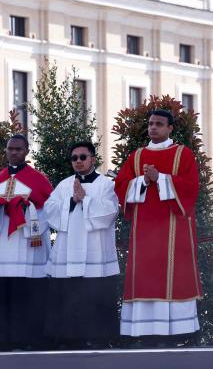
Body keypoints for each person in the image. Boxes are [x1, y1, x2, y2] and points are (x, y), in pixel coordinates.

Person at [114, 110, 201, 337]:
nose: (153, 128)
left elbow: (191, 188)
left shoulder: (184, 154)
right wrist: (143, 180)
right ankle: (143, 332)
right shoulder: (137, 155)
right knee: (144, 277)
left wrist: (160, 178)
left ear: (170, 128)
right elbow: (120, 184)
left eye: (159, 124)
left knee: (173, 275)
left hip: (174, 230)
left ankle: (174, 332)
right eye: (151, 124)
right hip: (144, 233)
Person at [44, 141, 119, 347]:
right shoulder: (64, 184)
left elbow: (110, 212)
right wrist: (70, 201)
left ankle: (97, 338)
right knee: (67, 294)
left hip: (95, 253)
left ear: (93, 159)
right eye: (74, 158)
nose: (78, 161)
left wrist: (85, 199)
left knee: (94, 294)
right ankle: (67, 338)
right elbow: (49, 210)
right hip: (67, 252)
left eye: (82, 157)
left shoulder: (106, 184)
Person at [0, 134, 53, 350]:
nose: (14, 152)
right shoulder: (1, 176)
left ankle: (30, 339)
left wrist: (28, 207)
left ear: (27, 151)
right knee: (5, 295)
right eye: (10, 149)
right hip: (4, 245)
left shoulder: (38, 178)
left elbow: (51, 210)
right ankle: (4, 339)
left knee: (27, 295)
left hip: (27, 244)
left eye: (18, 149)